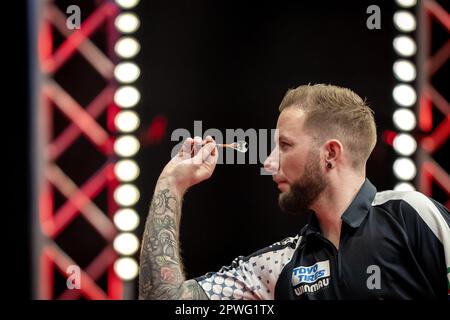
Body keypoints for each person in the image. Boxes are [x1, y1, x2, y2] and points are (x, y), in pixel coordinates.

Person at [138, 84, 450, 300]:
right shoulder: (278, 263)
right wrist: (171, 184)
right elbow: (166, 299)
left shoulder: (412, 216)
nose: (269, 162)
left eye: (284, 145)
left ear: (330, 153)